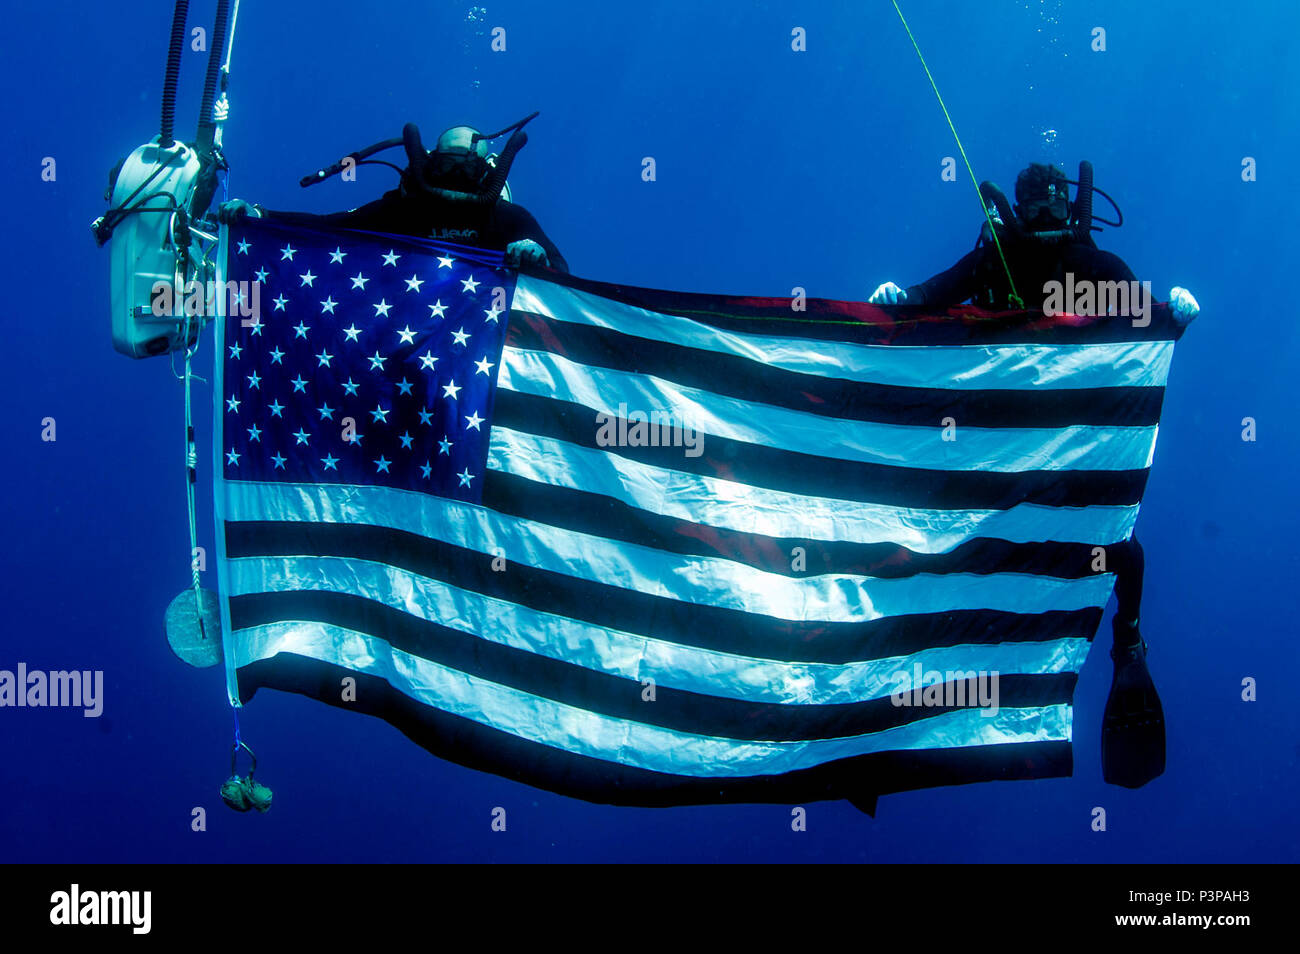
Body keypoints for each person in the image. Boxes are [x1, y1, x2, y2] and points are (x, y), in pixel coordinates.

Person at [868, 162, 1202, 788]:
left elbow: (1144, 317)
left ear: (1066, 207)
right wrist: (895, 303)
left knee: (1119, 551)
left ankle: (1127, 644)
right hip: (995, 460)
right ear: (1018, 210)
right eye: (1033, 209)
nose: (1044, 218)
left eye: (1052, 207)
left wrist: (1173, 316)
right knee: (950, 554)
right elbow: (925, 298)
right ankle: (906, 679)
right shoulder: (993, 261)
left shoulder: (1094, 269)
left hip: (1068, 454)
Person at [221, 122, 568, 272]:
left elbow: (564, 276)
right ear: (429, 162)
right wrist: (259, 216)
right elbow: (329, 228)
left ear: (487, 171)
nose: (455, 176)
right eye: (448, 164)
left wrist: (537, 258)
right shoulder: (402, 210)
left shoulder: (510, 219)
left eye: (465, 166)